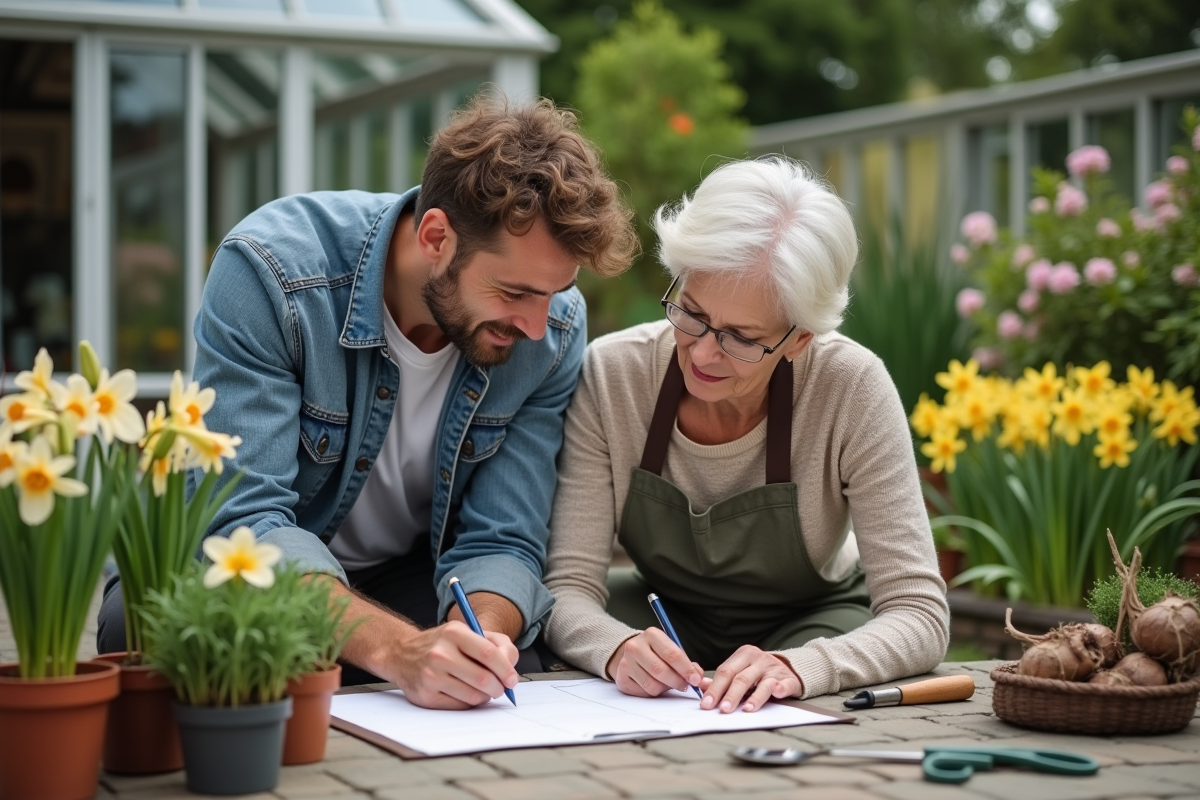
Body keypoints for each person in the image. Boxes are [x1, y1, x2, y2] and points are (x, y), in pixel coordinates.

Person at [97, 95, 638, 710]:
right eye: (514, 291)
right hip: (247, 562)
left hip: (403, 574)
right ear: (436, 236)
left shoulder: (554, 328)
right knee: (149, 635)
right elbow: (243, 517)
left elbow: (504, 537)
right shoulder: (274, 272)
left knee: (510, 668)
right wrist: (396, 652)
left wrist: (478, 638)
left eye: (554, 293)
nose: (539, 326)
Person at [542, 157, 949, 713]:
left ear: (799, 340)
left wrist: (801, 667)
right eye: (691, 313)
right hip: (663, 616)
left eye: (740, 337)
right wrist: (615, 648)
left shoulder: (850, 387)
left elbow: (919, 613)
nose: (704, 353)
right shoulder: (616, 375)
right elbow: (568, 585)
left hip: (813, 622)